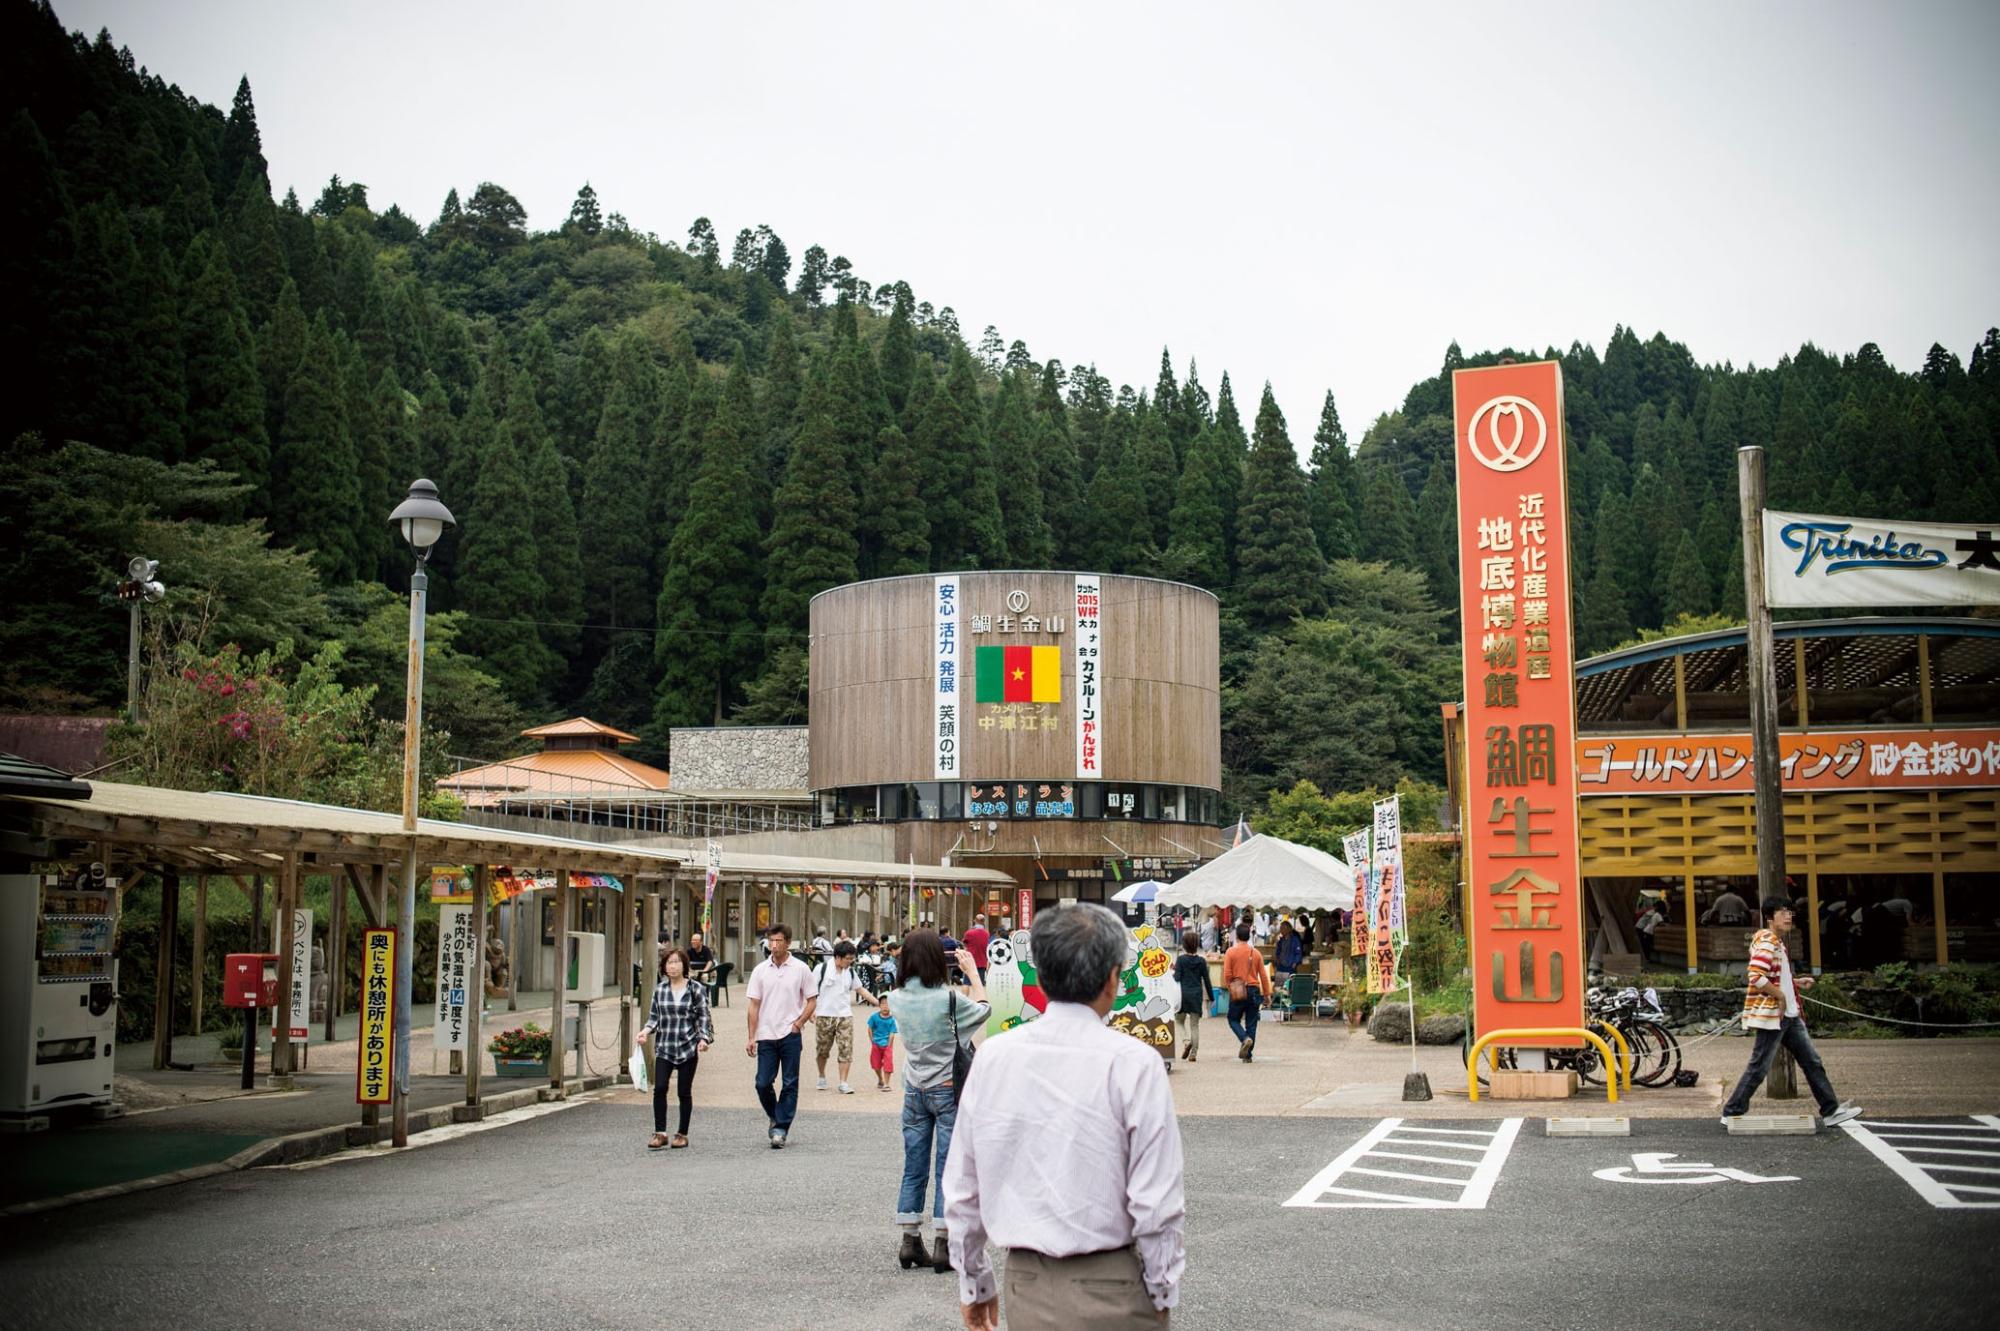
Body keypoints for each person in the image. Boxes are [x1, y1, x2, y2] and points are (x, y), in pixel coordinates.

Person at [943, 904, 1186, 1329]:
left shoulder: (994, 1057)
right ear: (1113, 978)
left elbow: (964, 1187)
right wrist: (1162, 1288)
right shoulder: (1135, 1063)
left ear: (1040, 976)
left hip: (1026, 1280)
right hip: (1114, 1281)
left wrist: (975, 1282)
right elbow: (1157, 1201)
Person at [888, 929, 989, 1275]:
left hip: (914, 1089)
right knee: (948, 1165)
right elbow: (983, 1010)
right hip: (947, 1088)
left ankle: (909, 1239)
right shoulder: (948, 999)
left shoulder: (895, 998)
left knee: (913, 1165)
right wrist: (973, 973)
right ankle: (943, 1243)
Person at [1721, 897, 1860, 1130]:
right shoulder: (1768, 941)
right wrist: (1781, 996)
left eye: (1789, 912)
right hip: (1776, 1015)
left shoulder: (1775, 941)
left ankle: (1831, 1110)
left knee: (1811, 1062)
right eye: (1782, 912)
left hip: (1788, 1016)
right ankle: (1732, 1111)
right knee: (1760, 1066)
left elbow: (1773, 976)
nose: (1788, 916)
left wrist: (1794, 982)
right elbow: (1755, 976)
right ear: (1770, 917)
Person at [745, 923, 817, 1149]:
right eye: (771, 940)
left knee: (790, 1082)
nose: (774, 945)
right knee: (762, 1082)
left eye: (778, 940)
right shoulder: (760, 970)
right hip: (766, 1033)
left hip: (790, 1033)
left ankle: (780, 1128)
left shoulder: (801, 969)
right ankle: (775, 1115)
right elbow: (753, 1005)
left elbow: (812, 1000)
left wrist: (799, 1023)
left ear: (788, 943)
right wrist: (751, 1036)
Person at [638, 946, 713, 1150]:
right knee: (660, 1088)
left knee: (683, 1091)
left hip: (688, 1045)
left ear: (684, 965)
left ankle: (682, 1134)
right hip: (665, 1045)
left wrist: (703, 1039)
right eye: (669, 963)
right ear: (664, 967)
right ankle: (660, 1133)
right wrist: (645, 1031)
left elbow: (703, 1017)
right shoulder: (660, 990)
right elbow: (654, 1017)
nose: (672, 966)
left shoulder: (695, 989)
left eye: (676, 962)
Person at [814, 939, 876, 1094]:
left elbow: (861, 990)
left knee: (846, 1049)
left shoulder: (850, 972)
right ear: (837, 957)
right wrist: (810, 1011)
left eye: (852, 958)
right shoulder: (821, 969)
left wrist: (878, 1003)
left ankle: (843, 1082)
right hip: (824, 1015)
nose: (850, 961)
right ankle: (821, 1076)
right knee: (822, 1050)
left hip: (845, 1016)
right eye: (848, 958)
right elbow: (810, 992)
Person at [1223, 922, 1271, 1061]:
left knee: (1233, 1019)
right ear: (1249, 936)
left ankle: (1244, 1038)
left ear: (1237, 936)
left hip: (1238, 990)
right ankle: (1248, 1055)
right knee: (1251, 1023)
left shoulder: (1230, 952)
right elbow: (1263, 976)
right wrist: (1267, 994)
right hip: (1254, 990)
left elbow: (1227, 974)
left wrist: (1231, 988)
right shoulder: (1256, 953)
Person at [1173, 928, 1213, 1064]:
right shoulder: (1201, 961)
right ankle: (1193, 1054)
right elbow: (1207, 980)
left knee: (1179, 1021)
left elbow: (1177, 978)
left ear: (1184, 945)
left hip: (1183, 996)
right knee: (1194, 1025)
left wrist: (1174, 970)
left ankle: (1186, 1041)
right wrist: (1211, 997)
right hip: (1196, 995)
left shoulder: (1181, 960)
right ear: (1197, 945)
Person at [868, 992, 898, 1091]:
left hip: (887, 1045)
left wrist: (889, 1045)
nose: (885, 1006)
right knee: (876, 1064)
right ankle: (880, 1079)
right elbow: (870, 1028)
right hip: (876, 1044)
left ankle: (886, 1084)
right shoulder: (874, 1017)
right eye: (883, 1003)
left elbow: (892, 1033)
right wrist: (872, 1041)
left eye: (888, 1004)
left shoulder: (892, 1019)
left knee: (888, 1064)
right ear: (879, 1005)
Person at [1273, 919, 1304, 984]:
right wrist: (1277, 960)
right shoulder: (1281, 940)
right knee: (1280, 984)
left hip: (1290, 966)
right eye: (1280, 928)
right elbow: (1278, 952)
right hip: (1281, 966)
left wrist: (1295, 963)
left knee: (1290, 985)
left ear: (1288, 929)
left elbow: (1298, 953)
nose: (1281, 930)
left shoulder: (1295, 940)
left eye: (1283, 928)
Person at [962, 913, 992, 981]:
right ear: (984, 922)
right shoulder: (987, 934)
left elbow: (965, 944)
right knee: (980, 982)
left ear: (975, 921)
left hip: (970, 961)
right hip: (982, 962)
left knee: (968, 982)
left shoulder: (969, 933)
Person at [1635, 897, 1665, 964]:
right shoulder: (1654, 913)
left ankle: (1644, 958)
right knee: (1645, 945)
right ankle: (1645, 959)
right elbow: (1660, 922)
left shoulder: (1652, 912)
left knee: (1644, 945)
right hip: (1641, 929)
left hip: (1642, 928)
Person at [685, 930, 716, 995]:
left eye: (695, 940)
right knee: (687, 979)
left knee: (704, 977)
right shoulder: (689, 951)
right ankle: (690, 995)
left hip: (703, 971)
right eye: (692, 940)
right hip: (692, 971)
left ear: (701, 942)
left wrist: (705, 971)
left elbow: (710, 961)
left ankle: (703, 995)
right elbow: (686, 962)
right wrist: (689, 970)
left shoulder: (706, 950)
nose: (693, 942)